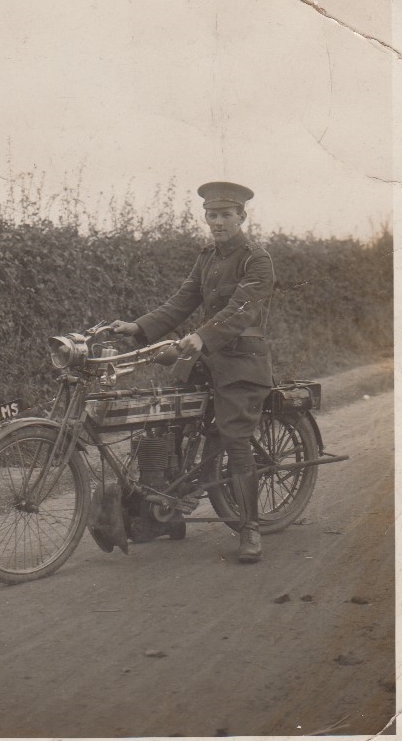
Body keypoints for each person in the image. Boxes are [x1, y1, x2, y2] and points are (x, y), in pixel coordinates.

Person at [110, 181, 275, 562]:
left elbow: (242, 309)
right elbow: (182, 300)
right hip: (207, 356)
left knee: (234, 439)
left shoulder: (256, 259)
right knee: (169, 421)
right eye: (211, 215)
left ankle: (250, 527)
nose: (217, 222)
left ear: (242, 216)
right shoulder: (207, 257)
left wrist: (202, 337)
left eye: (225, 215)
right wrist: (138, 326)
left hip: (242, 361)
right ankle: (167, 512)